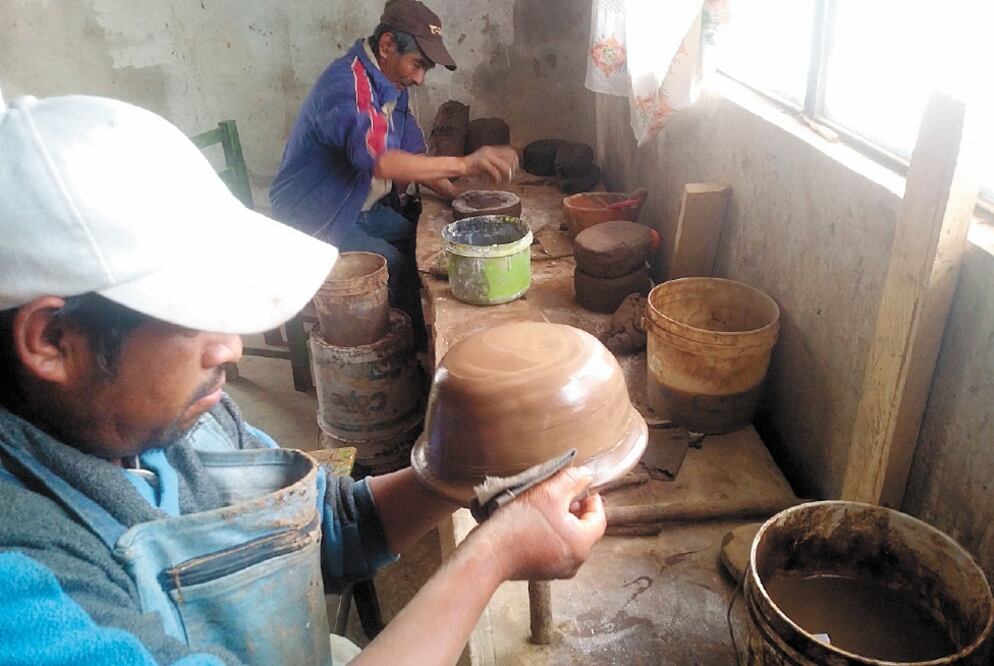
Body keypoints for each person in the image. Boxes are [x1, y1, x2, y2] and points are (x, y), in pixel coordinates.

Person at [0, 92, 604, 665]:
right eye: (192, 316)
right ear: (52, 341)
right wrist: (491, 557)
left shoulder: (174, 416)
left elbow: (330, 528)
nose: (231, 347)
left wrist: (454, 472)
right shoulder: (23, 584)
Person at [269, 0, 518, 330]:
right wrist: (464, 163)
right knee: (399, 265)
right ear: (387, 45)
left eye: (426, 69)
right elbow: (384, 162)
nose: (420, 79)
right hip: (315, 220)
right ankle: (408, 355)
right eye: (417, 64)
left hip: (363, 209)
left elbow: (413, 160)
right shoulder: (347, 84)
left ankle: (414, 332)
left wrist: (457, 198)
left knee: (429, 244)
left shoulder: (392, 86)